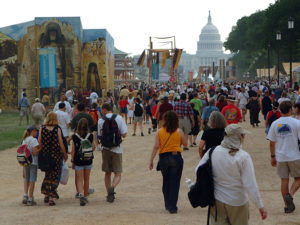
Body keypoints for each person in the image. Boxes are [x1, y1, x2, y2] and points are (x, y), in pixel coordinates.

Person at [196, 124, 267, 224]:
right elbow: (250, 184)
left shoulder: (212, 151)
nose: (244, 138)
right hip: (238, 201)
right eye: (243, 135)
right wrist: (260, 206)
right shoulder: (243, 156)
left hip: (217, 200)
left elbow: (198, 170)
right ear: (238, 137)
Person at [149, 111, 187, 214]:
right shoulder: (179, 131)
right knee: (175, 182)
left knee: (166, 181)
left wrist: (151, 160)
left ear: (165, 120)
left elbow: (156, 146)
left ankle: (167, 203)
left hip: (164, 157)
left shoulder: (159, 131)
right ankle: (172, 206)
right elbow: (185, 143)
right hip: (176, 156)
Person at [267, 101, 300, 213]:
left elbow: (271, 142)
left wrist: (272, 156)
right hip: (294, 155)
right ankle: (290, 195)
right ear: (290, 109)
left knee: (284, 180)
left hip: (281, 156)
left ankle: (287, 206)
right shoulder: (297, 123)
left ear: (280, 110)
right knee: (298, 178)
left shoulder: (275, 123)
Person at [98, 103, 128, 203]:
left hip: (106, 149)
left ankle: (108, 194)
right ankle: (113, 187)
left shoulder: (101, 120)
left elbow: (99, 136)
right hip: (117, 149)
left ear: (105, 109)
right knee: (118, 173)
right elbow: (124, 134)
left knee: (107, 173)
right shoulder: (119, 118)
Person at [38, 112, 68, 206]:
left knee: (48, 174)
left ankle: (46, 194)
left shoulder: (42, 128)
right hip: (56, 155)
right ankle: (51, 197)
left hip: (45, 154)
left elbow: (39, 142)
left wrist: (41, 152)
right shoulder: (57, 128)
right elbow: (61, 142)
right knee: (54, 175)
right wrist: (65, 153)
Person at [71, 118, 96, 206]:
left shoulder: (74, 136)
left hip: (78, 160)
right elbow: (94, 147)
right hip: (88, 160)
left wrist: (72, 161)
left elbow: (73, 150)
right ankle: (85, 196)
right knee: (87, 179)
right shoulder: (90, 136)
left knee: (79, 179)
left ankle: (80, 193)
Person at [22, 125, 39, 206]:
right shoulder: (34, 140)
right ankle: (30, 198)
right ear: (32, 131)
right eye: (36, 131)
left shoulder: (25, 140)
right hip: (33, 162)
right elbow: (35, 152)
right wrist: (40, 148)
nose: (37, 133)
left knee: (26, 179)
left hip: (25, 162)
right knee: (32, 179)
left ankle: (25, 195)